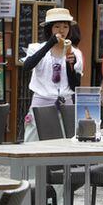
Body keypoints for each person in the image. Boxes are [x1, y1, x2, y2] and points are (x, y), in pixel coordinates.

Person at [22, 8, 83, 142]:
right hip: (41, 102)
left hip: (64, 104)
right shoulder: (36, 48)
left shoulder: (75, 52)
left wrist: (70, 64)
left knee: (62, 144)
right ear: (50, 28)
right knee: (33, 143)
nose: (62, 31)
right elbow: (27, 66)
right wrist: (50, 44)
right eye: (57, 26)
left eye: (65, 26)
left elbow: (75, 85)